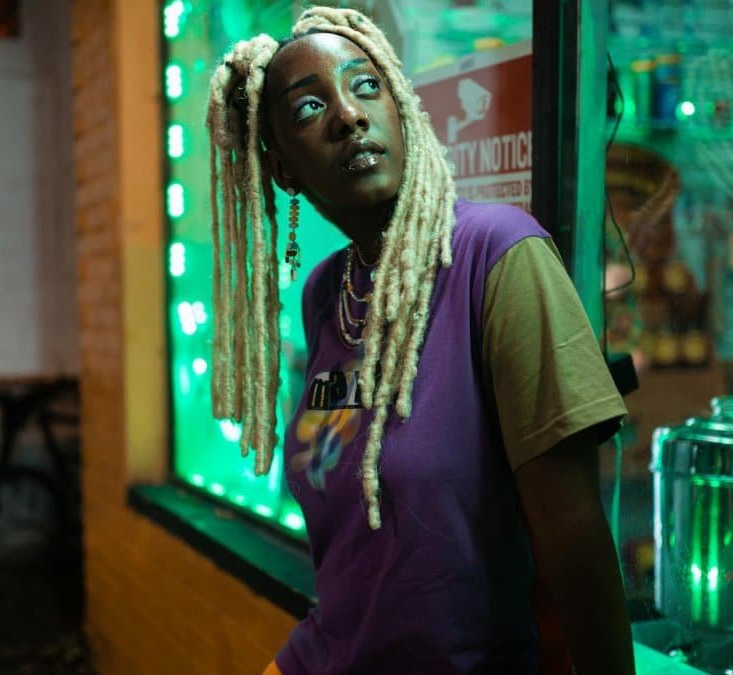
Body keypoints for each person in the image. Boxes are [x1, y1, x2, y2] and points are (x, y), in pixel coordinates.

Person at [206, 7, 634, 674]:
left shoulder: (497, 253)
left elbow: (572, 530)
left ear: (403, 107)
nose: (349, 115)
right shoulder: (326, 293)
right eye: (310, 107)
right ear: (284, 170)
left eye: (366, 86)